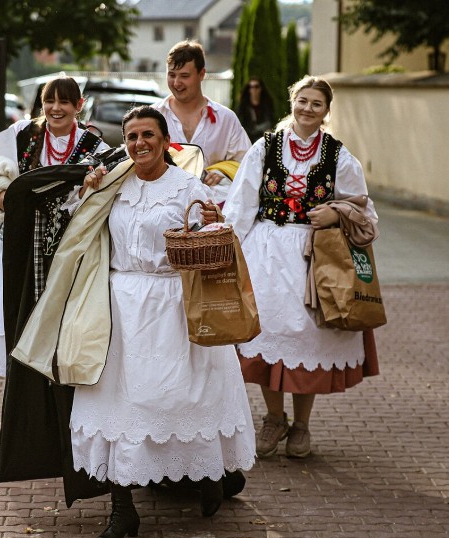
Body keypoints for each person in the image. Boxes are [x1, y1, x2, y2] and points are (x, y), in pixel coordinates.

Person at [14, 105, 256, 538]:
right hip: (120, 308)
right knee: (119, 405)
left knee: (187, 397)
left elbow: (215, 240)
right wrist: (85, 194)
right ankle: (123, 510)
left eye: (148, 135)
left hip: (175, 304)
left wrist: (210, 222)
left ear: (166, 141)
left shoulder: (187, 186)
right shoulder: (113, 183)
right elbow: (73, 230)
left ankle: (209, 477)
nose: (139, 144)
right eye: (131, 137)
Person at [218, 76, 380, 459]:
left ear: (326, 111)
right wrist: (229, 252)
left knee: (309, 337)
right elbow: (240, 204)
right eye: (302, 101)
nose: (308, 109)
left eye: (317, 104)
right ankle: (275, 418)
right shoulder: (265, 148)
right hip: (267, 252)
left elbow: (366, 214)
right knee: (265, 334)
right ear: (293, 102)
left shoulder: (339, 157)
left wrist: (336, 213)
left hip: (315, 258)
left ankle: (302, 424)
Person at [0, 76, 109, 377]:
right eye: (49, 101)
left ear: (78, 106)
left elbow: (102, 195)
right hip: (16, 245)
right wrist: (2, 195)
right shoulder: (22, 133)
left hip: (64, 252)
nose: (56, 108)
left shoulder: (95, 145)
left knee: (55, 334)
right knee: (12, 319)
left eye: (64, 102)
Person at [152, 40, 251, 204]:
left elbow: (247, 162)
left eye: (184, 76)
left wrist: (223, 172)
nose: (176, 83)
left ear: (202, 74)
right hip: (162, 204)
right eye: (171, 75)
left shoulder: (225, 118)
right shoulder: (153, 115)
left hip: (212, 210)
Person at [236, 77, 275, 142]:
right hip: (247, 138)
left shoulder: (267, 104)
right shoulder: (243, 106)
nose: (254, 89)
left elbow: (269, 121)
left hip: (262, 138)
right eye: (251, 87)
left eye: (256, 87)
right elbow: (240, 124)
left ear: (261, 88)